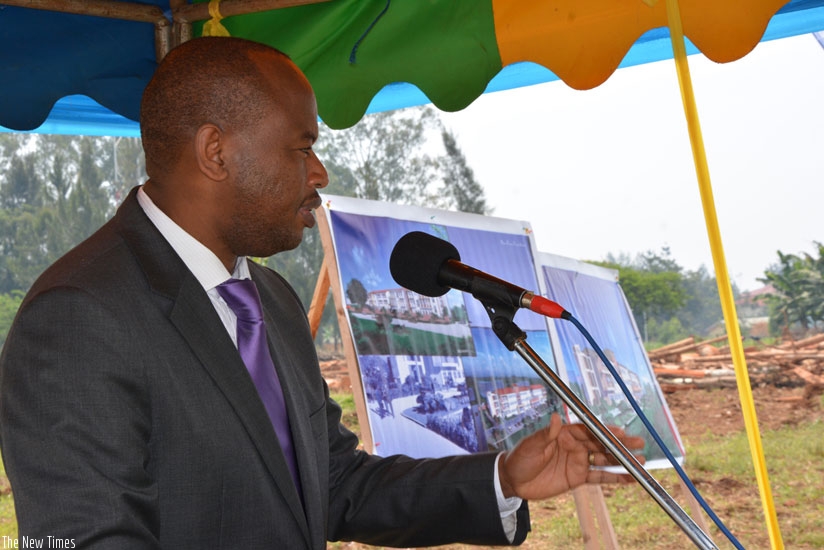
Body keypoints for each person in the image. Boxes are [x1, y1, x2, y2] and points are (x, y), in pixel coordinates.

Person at [0, 37, 644, 549]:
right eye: (301, 147)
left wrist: (504, 478)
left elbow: (333, 487)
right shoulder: (80, 315)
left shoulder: (270, 302)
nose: (320, 171)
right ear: (216, 153)